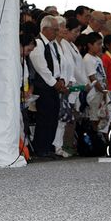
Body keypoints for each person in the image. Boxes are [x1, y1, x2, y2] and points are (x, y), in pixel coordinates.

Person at [30, 15, 67, 158]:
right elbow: (41, 67)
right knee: (44, 118)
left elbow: (57, 64)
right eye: (55, 30)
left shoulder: (52, 44)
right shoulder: (38, 43)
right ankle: (41, 147)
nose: (57, 32)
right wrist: (55, 83)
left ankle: (48, 146)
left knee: (52, 117)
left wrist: (61, 80)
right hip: (44, 86)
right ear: (45, 29)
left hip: (54, 84)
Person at [53, 16, 75, 158]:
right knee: (58, 117)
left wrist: (70, 81)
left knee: (63, 119)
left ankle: (59, 145)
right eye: (62, 26)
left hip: (67, 86)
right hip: (58, 86)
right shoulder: (53, 44)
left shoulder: (65, 44)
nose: (65, 29)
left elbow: (70, 65)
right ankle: (56, 145)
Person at [83, 32, 108, 131]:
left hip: (101, 92)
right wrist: (103, 91)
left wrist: (105, 90)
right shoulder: (87, 59)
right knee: (94, 118)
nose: (100, 46)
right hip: (94, 94)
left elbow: (103, 76)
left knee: (102, 118)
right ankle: (95, 137)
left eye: (101, 44)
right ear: (90, 45)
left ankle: (100, 137)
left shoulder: (97, 58)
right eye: (98, 44)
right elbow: (92, 78)